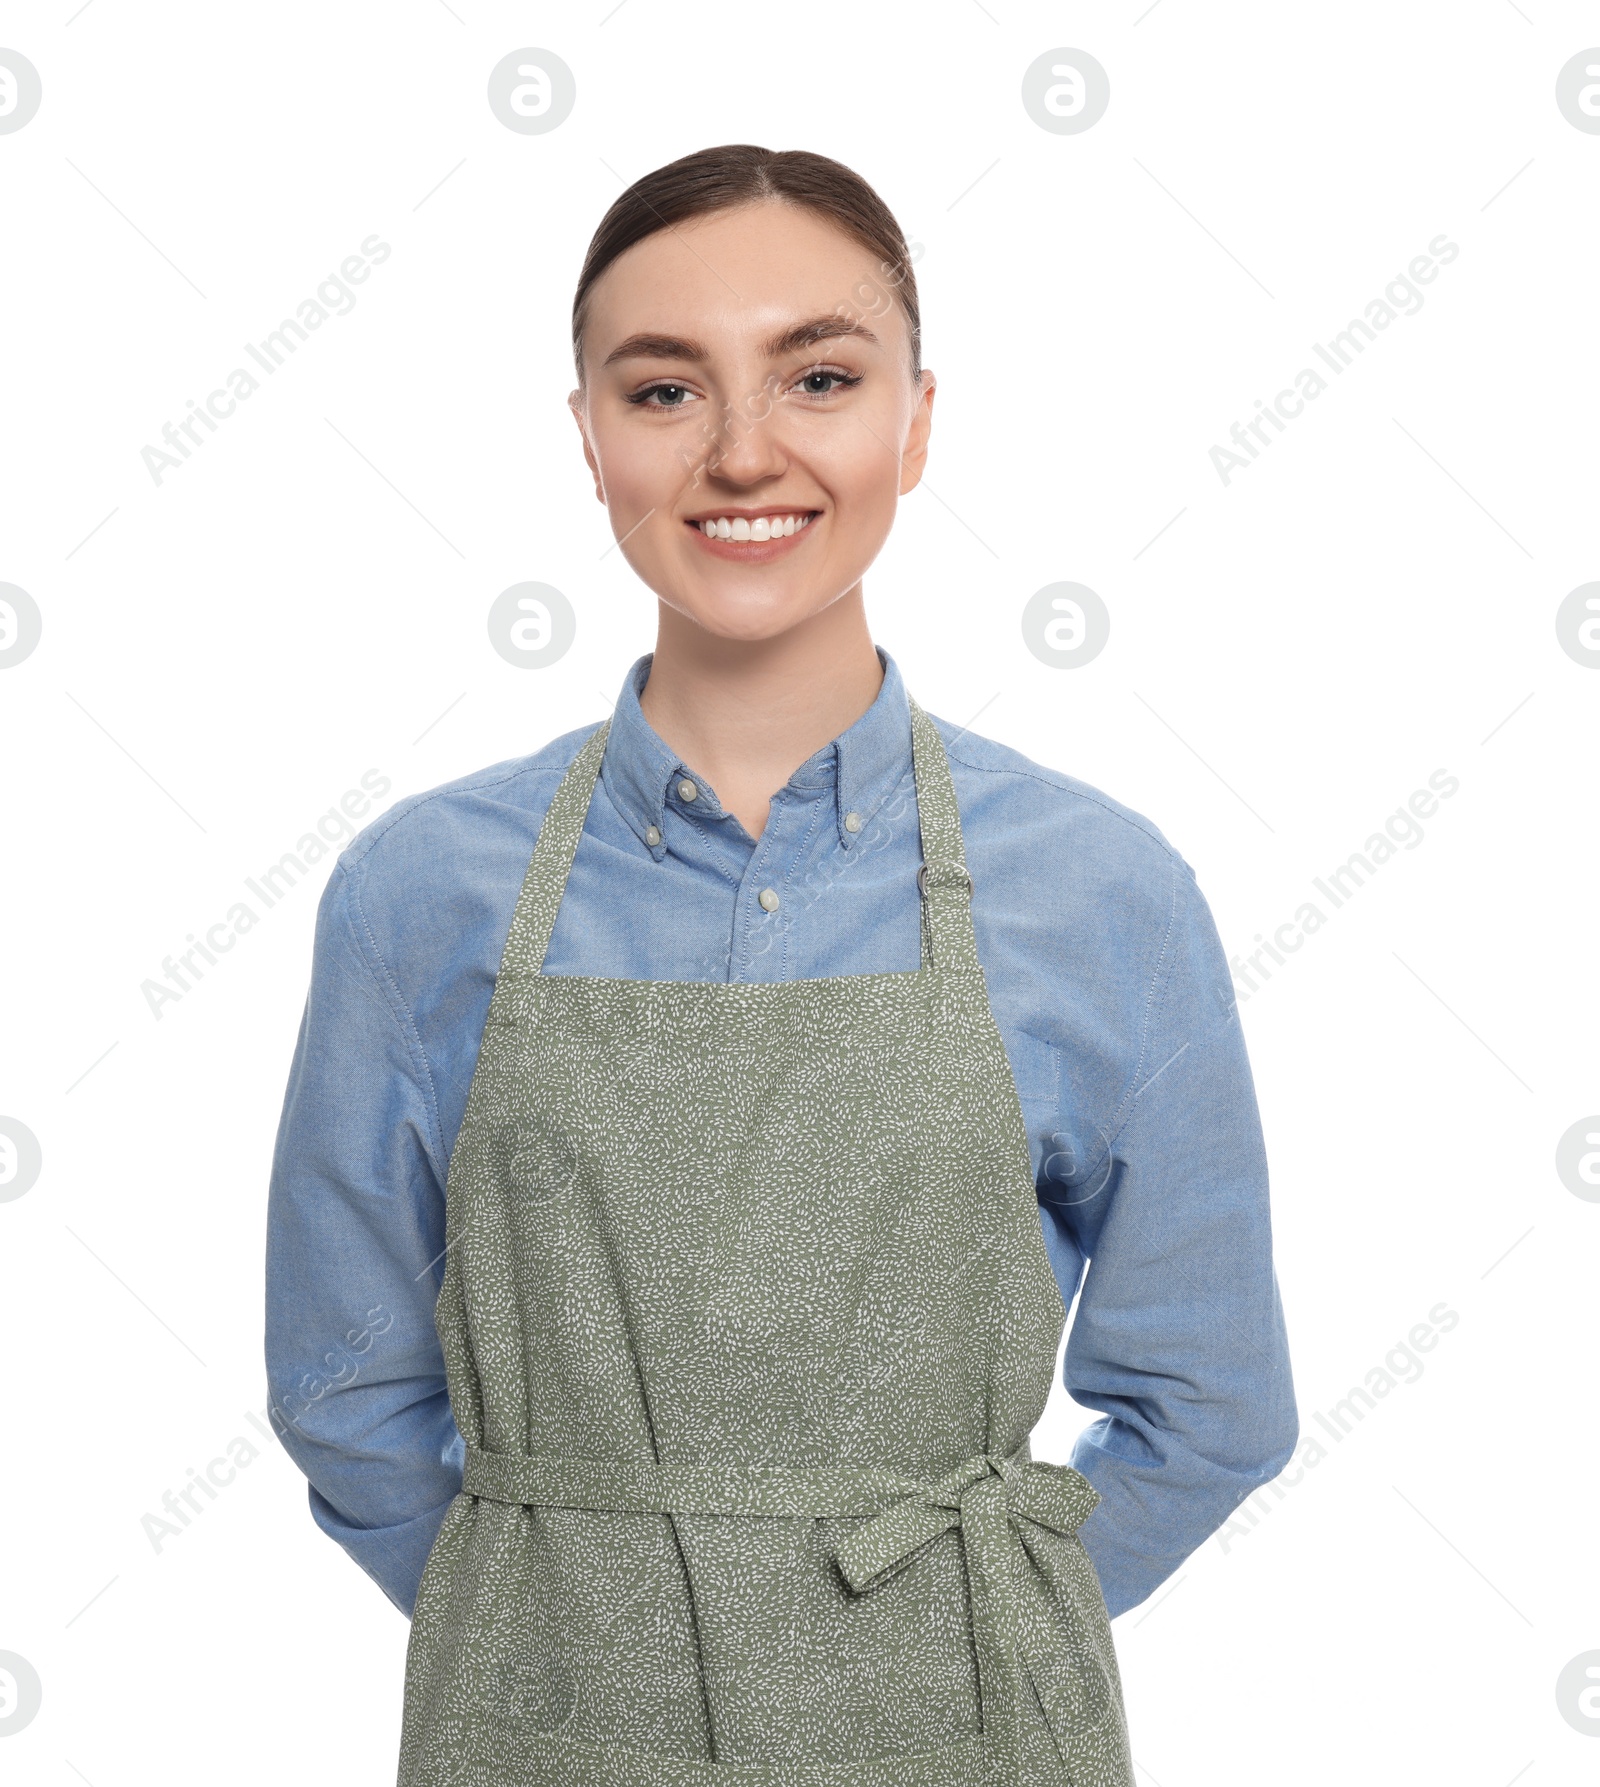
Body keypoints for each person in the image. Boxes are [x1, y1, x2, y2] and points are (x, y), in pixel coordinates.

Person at [264, 144, 1297, 1786]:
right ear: (590, 436)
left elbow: (1212, 1402)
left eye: (819, 375)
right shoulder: (420, 893)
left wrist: (981, 1633)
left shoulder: (1102, 892)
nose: (745, 451)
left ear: (917, 418)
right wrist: (546, 1623)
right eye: (665, 389)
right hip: (542, 1738)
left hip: (971, 1736)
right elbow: (343, 1385)